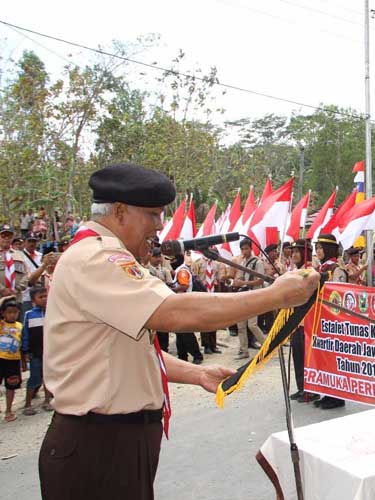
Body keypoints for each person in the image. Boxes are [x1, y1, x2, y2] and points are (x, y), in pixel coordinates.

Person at [39, 163, 318, 500]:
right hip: (98, 444)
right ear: (120, 211)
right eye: (153, 215)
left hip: (114, 440)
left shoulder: (100, 255)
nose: (159, 227)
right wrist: (275, 296)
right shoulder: (96, 259)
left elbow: (125, 352)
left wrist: (195, 373)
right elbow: (175, 311)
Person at [314, 233, 348, 410]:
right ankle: (326, 392)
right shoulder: (320, 269)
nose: (318, 251)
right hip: (320, 318)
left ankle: (337, 396)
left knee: (333, 359)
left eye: (321, 248)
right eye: (317, 248)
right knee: (323, 358)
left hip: (333, 320)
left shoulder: (336, 269)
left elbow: (339, 295)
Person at [289, 238, 316, 402]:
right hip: (295, 320)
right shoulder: (294, 271)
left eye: (298, 251)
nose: (294, 255)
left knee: (307, 358)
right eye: (293, 252)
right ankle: (301, 388)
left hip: (307, 320)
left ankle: (310, 390)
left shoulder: (310, 271)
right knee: (297, 356)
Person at [231, 239, 268, 359]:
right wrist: (236, 283)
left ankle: (267, 346)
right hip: (244, 294)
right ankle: (243, 350)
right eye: (242, 249)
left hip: (254, 294)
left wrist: (244, 282)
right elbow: (240, 277)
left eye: (246, 248)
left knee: (252, 324)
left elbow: (260, 280)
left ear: (250, 248)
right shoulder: (242, 262)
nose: (244, 251)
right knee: (240, 324)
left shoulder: (258, 262)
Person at [169, 254, 204, 365]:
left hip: (184, 305)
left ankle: (197, 355)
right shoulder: (179, 270)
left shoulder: (182, 271)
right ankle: (182, 355)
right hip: (180, 304)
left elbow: (183, 286)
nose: (171, 262)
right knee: (179, 332)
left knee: (186, 333)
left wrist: (171, 289)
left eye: (173, 260)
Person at [22, 286, 51, 415]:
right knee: (34, 378)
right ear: (33, 300)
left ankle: (47, 401)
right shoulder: (29, 315)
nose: (44, 299)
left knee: (48, 377)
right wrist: (26, 351)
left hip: (49, 351)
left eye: (46, 296)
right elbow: (25, 334)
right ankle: (27, 404)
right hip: (35, 352)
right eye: (41, 297)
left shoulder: (52, 312)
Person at [0, 297, 24, 422]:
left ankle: (8, 410)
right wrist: (5, 298)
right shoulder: (1, 324)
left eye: (15, 312)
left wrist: (24, 362)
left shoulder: (20, 326)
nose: (12, 315)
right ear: (3, 313)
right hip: (1, 359)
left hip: (14, 361)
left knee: (11, 386)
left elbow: (22, 345)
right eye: (9, 312)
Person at [146, 247, 173, 352]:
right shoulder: (146, 271)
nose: (158, 259)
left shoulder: (165, 271)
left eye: (159, 257)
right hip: (151, 305)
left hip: (163, 303)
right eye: (155, 257)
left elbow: (170, 285)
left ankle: (164, 349)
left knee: (163, 330)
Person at [1, 224, 29, 303]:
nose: (6, 238)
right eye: (3, 235)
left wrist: (17, 289)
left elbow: (26, 274)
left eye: (9, 236)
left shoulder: (19, 254)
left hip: (16, 298)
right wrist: (2, 289)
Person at [19, 233, 42, 314]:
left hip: (39, 294)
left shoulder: (40, 256)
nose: (32, 244)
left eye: (34, 241)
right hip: (25, 294)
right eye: (29, 241)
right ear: (25, 242)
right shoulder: (19, 256)